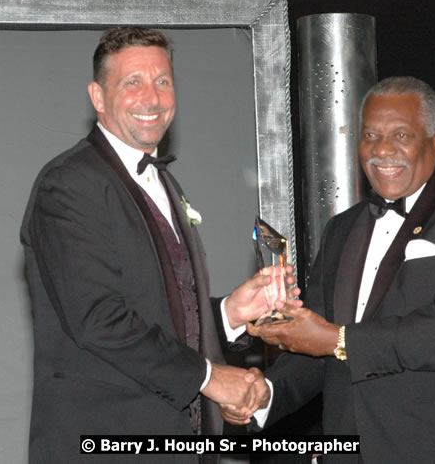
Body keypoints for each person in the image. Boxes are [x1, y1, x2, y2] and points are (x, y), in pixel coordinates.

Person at [20, 27, 295, 463]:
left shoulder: (162, 180)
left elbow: (158, 311)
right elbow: (98, 319)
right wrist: (209, 377)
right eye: (133, 82)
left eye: (162, 81)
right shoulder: (69, 184)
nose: (152, 97)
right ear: (97, 96)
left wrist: (229, 314)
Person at [225, 76, 435, 463]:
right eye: (369, 135)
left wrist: (337, 339)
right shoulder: (342, 228)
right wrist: (265, 395)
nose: (382, 150)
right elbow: (314, 345)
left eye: (401, 134)